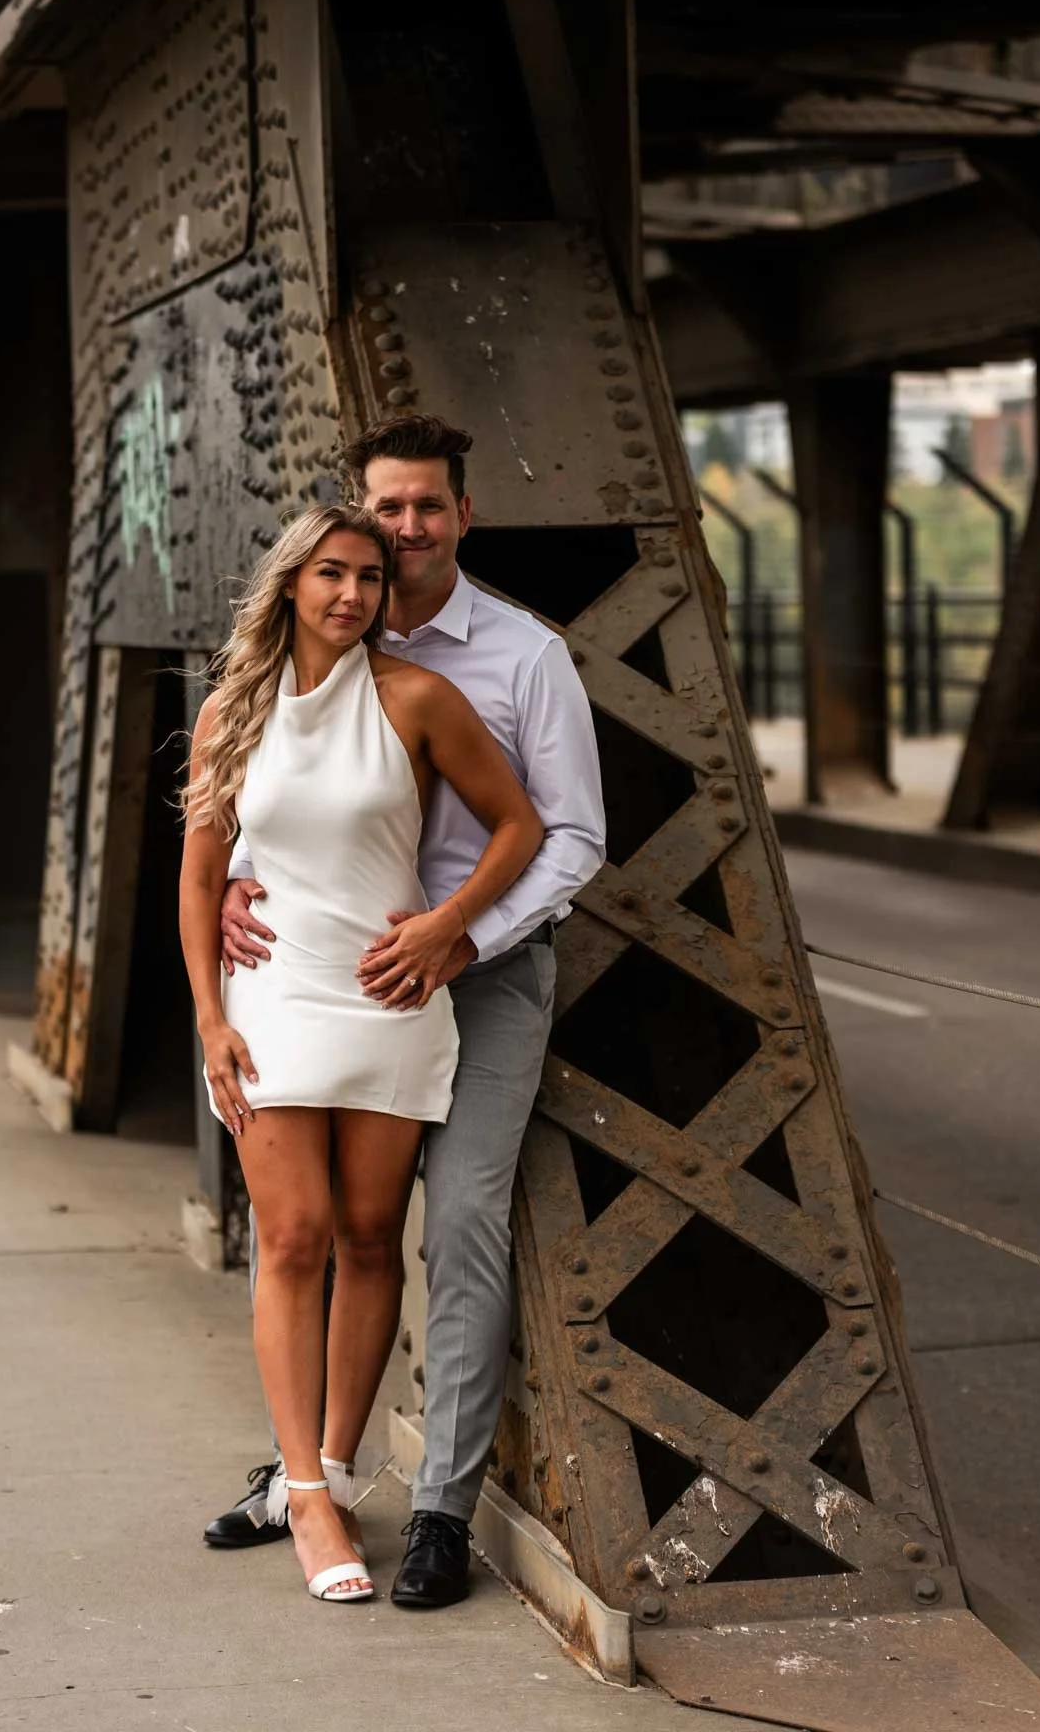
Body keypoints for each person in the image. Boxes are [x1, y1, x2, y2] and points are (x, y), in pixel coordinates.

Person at [204, 415, 606, 1608]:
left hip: (480, 973)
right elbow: (244, 807)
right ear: (350, 527)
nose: (406, 528)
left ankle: (436, 1510)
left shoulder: (520, 657)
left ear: (459, 517)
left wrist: (456, 935)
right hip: (325, 976)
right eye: (386, 512)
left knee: (457, 1227)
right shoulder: (295, 666)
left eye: (428, 508)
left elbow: (568, 832)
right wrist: (236, 876)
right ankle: (308, 1478)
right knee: (308, 1233)